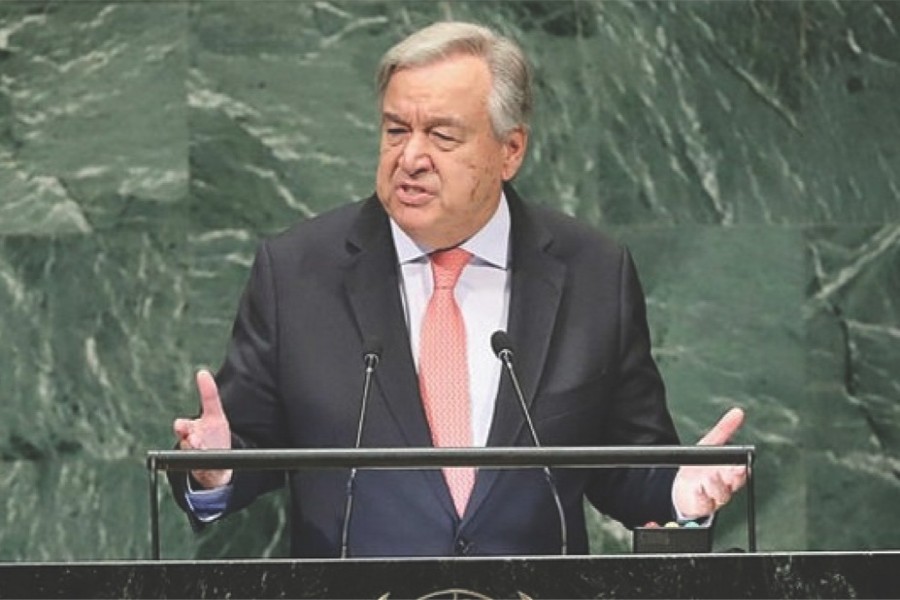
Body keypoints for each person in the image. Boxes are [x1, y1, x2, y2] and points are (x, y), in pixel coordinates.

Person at [170, 21, 747, 558]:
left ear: (510, 150)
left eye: (442, 136)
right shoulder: (298, 272)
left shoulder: (593, 272)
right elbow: (244, 446)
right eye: (396, 131)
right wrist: (213, 467)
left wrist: (680, 491)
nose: (410, 158)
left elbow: (627, 464)